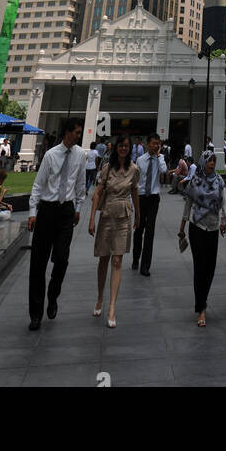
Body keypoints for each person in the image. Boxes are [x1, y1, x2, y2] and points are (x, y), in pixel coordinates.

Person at [27, 118, 85, 330]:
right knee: (38, 264)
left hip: (66, 211)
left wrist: (78, 208)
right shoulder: (51, 155)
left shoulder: (80, 155)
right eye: (77, 132)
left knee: (61, 259)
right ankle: (35, 313)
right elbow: (38, 185)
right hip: (47, 211)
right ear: (67, 133)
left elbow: (80, 184)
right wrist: (33, 212)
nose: (79, 136)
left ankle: (53, 294)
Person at [88, 133, 139, 328]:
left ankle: (112, 307)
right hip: (107, 214)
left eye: (127, 146)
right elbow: (98, 193)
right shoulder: (107, 169)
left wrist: (139, 216)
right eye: (121, 145)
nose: (123, 148)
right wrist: (92, 217)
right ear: (116, 147)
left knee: (117, 260)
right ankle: (100, 296)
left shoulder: (134, 170)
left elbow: (135, 193)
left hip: (124, 217)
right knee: (104, 259)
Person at [179, 149, 226, 326]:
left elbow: (224, 203)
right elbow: (188, 206)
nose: (212, 163)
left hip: (214, 228)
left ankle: (202, 300)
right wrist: (181, 228)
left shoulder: (219, 181)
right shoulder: (195, 181)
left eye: (214, 161)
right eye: (209, 160)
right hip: (197, 227)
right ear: (203, 162)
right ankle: (201, 307)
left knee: (210, 268)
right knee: (200, 267)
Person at [132, 133, 166, 276]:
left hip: (153, 197)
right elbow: (136, 180)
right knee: (139, 229)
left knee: (150, 232)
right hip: (141, 197)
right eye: (154, 143)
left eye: (158, 143)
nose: (156, 145)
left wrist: (159, 156)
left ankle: (145, 266)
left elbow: (164, 171)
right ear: (148, 144)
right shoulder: (140, 160)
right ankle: (135, 258)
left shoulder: (160, 158)